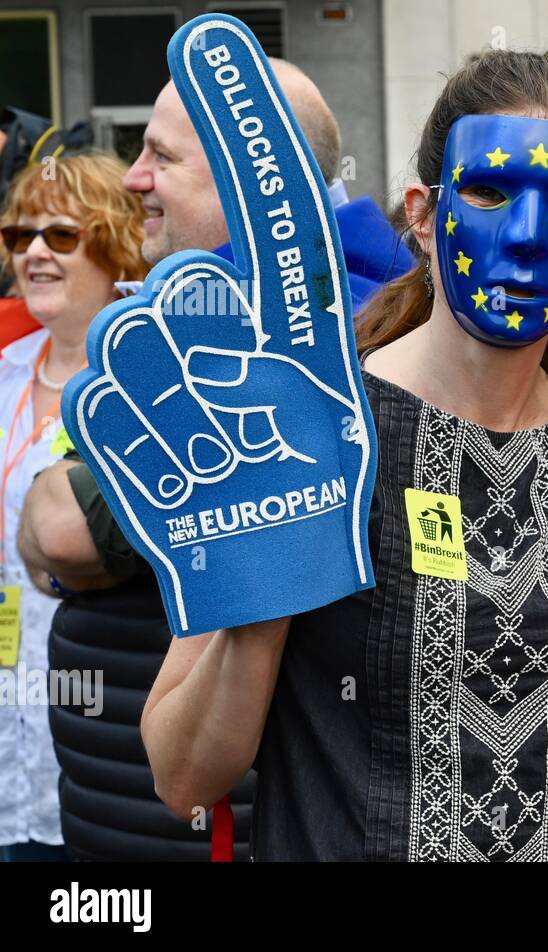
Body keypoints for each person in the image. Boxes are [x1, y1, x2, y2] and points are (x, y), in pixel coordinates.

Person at [140, 48, 548, 861]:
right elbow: (182, 775)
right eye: (487, 192)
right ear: (422, 213)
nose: (524, 237)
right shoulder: (307, 428)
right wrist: (267, 591)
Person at [17, 59, 407, 862]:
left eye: (163, 156)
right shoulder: (198, 310)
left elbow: (60, 525)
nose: (134, 178)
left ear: (259, 181)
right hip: (120, 798)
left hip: (236, 824)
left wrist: (83, 539)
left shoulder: (348, 335)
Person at [0, 152, 148, 861]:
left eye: (60, 235)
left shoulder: (146, 383)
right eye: (16, 236)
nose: (32, 252)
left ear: (116, 240)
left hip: (111, 740)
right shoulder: (3, 374)